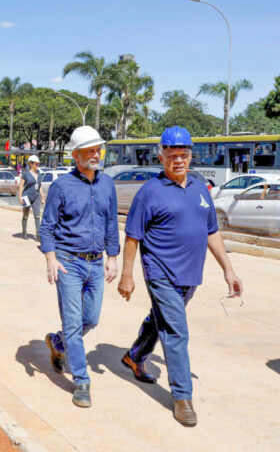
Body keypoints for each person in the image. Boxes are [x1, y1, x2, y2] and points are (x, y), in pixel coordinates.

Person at [117, 126, 243, 427]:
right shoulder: (149, 192)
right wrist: (127, 276)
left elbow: (212, 231)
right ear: (161, 156)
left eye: (183, 155)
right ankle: (183, 397)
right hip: (160, 272)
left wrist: (229, 269)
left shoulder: (200, 189)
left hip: (190, 276)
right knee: (176, 332)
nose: (178, 160)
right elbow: (133, 237)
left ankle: (135, 355)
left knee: (161, 319)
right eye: (171, 155)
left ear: (190, 156)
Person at [39, 125, 120, 408]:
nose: (96, 154)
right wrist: (51, 258)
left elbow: (111, 223)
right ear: (75, 155)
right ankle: (82, 381)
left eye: (98, 149)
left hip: (96, 263)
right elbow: (47, 226)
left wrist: (112, 256)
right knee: (73, 323)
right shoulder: (61, 187)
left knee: (92, 319)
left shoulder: (107, 183)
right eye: (90, 151)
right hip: (69, 263)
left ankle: (57, 343)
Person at [17, 154, 45, 241]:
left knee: (37, 216)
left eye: (38, 164)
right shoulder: (26, 174)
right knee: (25, 215)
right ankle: (24, 232)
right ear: (31, 164)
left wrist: (42, 197)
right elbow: (21, 186)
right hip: (26, 197)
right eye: (36, 164)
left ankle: (38, 234)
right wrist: (20, 197)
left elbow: (40, 187)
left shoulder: (39, 174)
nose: (37, 165)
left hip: (36, 197)